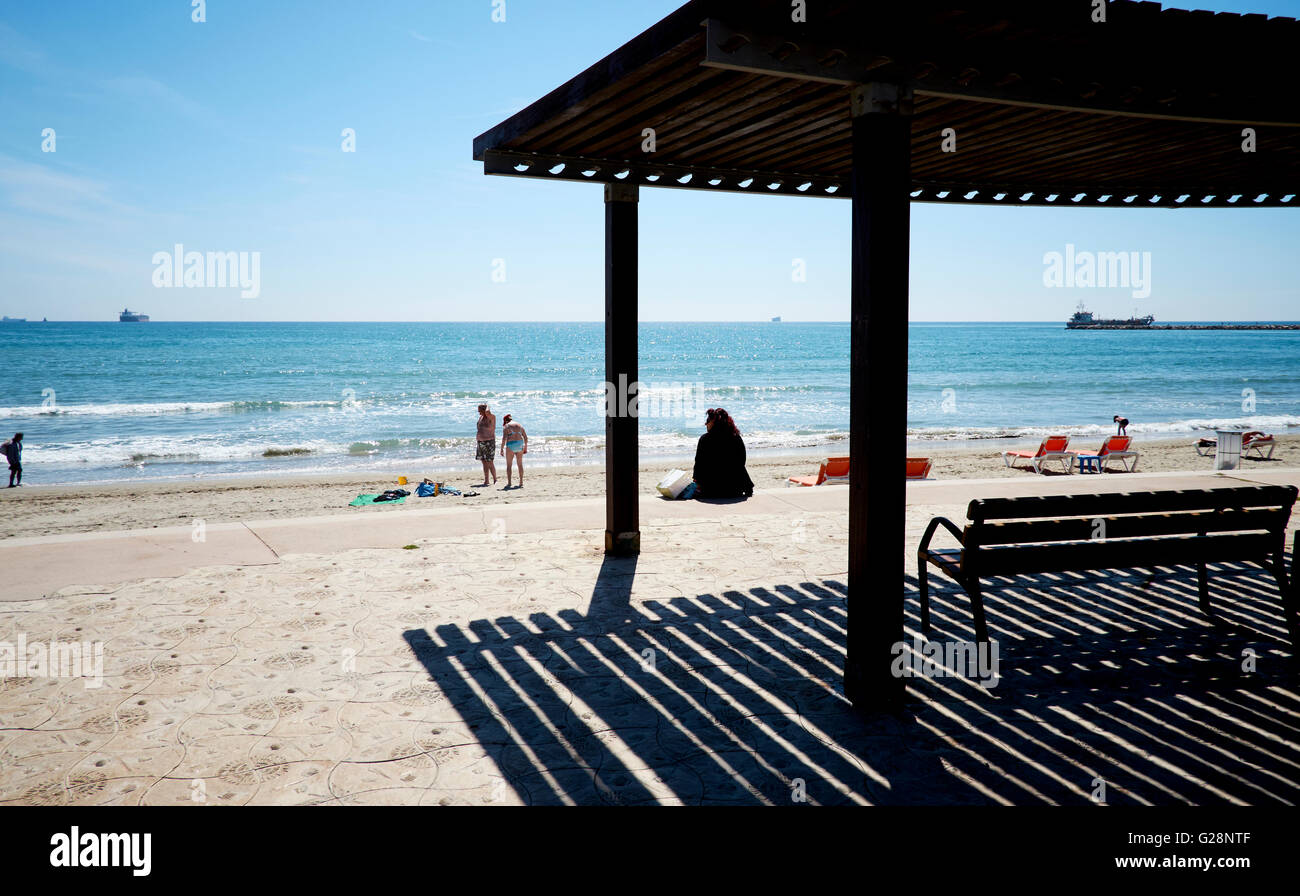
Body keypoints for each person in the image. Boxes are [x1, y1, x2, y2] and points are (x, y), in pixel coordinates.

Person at [693, 408, 754, 499]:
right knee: (738, 466)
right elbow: (742, 461)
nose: (706, 424)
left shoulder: (705, 439)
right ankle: (747, 487)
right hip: (734, 489)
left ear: (714, 422)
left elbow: (699, 463)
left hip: (711, 490)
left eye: (708, 421)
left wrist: (696, 480)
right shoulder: (736, 437)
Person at [500, 415, 528, 488]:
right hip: (519, 444)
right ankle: (521, 482)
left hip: (511, 445)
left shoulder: (506, 426)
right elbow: (525, 437)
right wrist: (525, 447)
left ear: (506, 421)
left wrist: (502, 449)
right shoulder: (520, 425)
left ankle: (509, 483)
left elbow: (504, 439)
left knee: (509, 465)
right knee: (520, 464)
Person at [476, 404, 497, 487]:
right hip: (481, 442)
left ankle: (495, 479)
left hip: (489, 441)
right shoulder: (480, 417)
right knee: (484, 461)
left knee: (490, 461)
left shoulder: (491, 417)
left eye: (480, 410)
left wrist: (487, 405)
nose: (478, 412)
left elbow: (488, 412)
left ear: (484, 410)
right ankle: (486, 480)